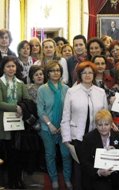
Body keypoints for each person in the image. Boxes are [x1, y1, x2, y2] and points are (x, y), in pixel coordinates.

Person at [61, 61, 108, 190]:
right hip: (78, 138)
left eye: (90, 72)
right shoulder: (71, 92)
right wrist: (66, 140)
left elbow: (105, 115)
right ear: (79, 75)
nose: (87, 75)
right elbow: (65, 118)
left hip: (96, 137)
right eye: (84, 73)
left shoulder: (101, 92)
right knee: (79, 171)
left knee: (94, 170)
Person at [37, 60, 72, 190]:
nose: (55, 73)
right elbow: (40, 110)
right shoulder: (42, 89)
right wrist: (50, 124)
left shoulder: (67, 89)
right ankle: (54, 179)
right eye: (52, 70)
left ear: (61, 72)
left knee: (66, 155)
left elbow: (69, 110)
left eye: (58, 70)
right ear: (48, 73)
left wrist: (63, 126)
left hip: (64, 128)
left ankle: (67, 179)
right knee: (50, 155)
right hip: (47, 128)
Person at [78, 109, 119, 190]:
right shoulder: (88, 138)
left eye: (106, 124)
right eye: (100, 125)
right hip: (97, 176)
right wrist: (98, 172)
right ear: (96, 125)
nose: (103, 128)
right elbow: (84, 161)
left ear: (111, 124)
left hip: (116, 175)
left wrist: (117, 152)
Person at [0, 56, 30, 189]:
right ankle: (8, 182)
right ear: (3, 68)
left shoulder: (21, 83)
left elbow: (27, 100)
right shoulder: (0, 82)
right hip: (3, 125)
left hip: (17, 123)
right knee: (6, 154)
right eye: (8, 66)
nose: (11, 69)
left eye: (13, 66)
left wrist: (22, 107)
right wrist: (16, 107)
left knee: (17, 154)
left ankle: (18, 180)